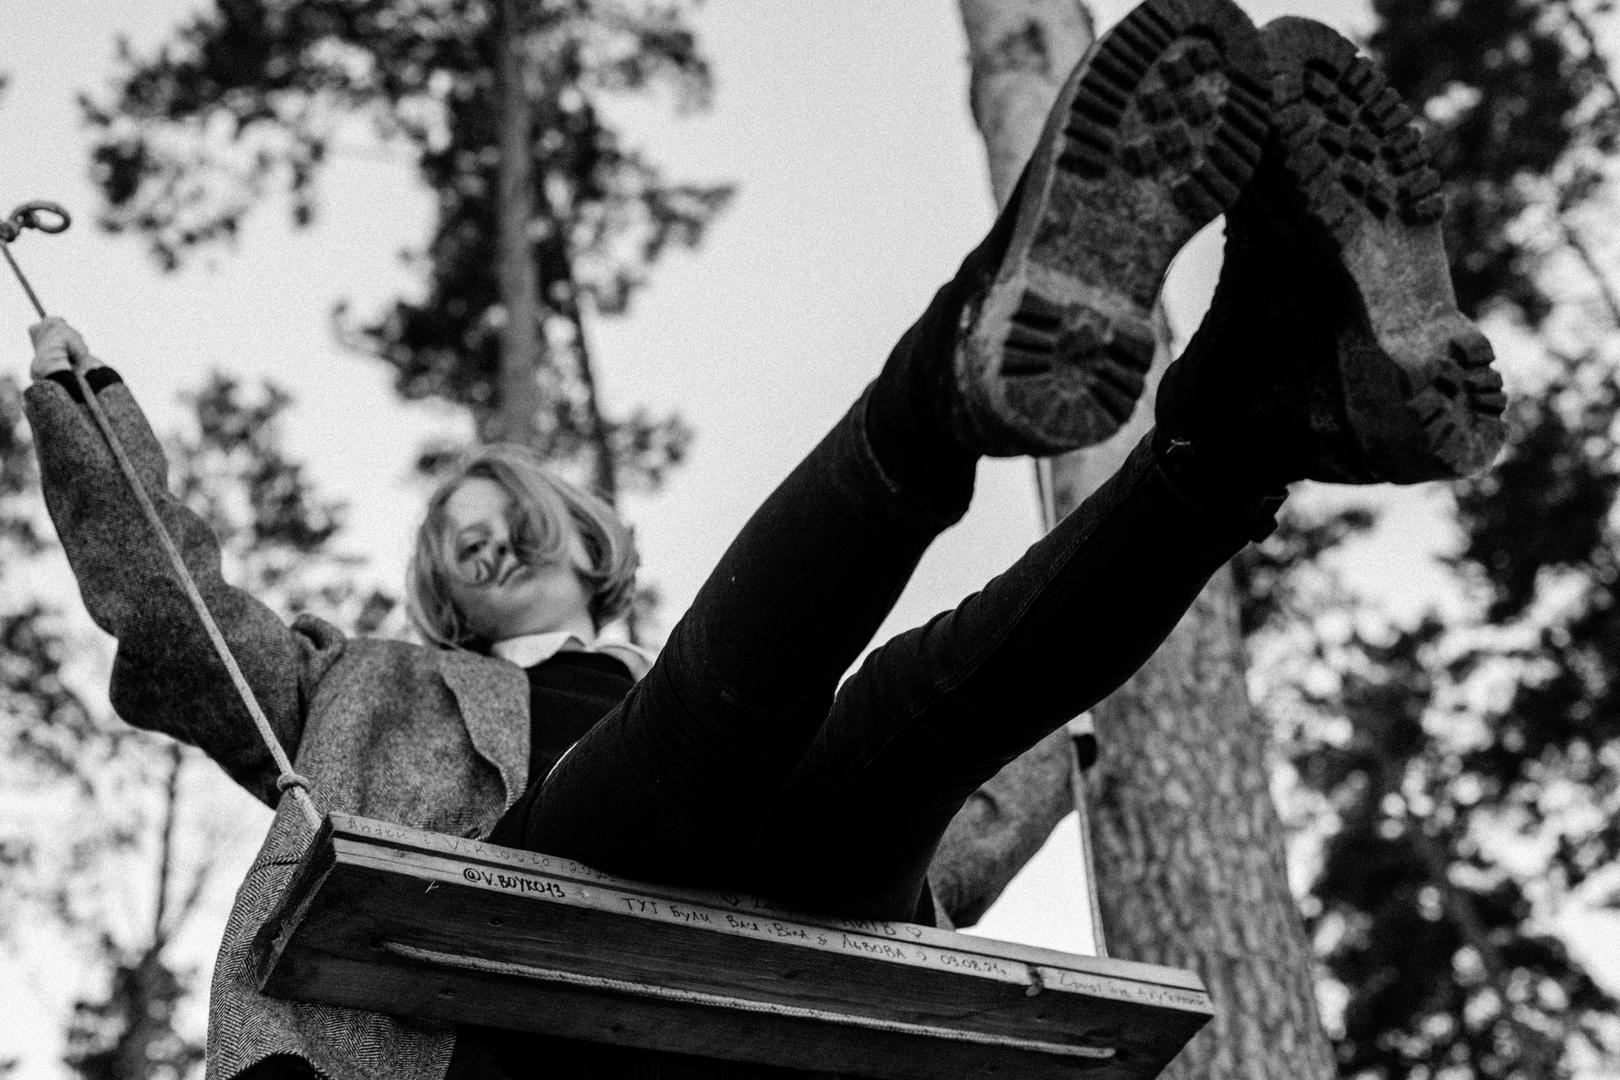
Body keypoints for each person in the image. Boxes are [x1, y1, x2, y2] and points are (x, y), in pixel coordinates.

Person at [25, 3, 1506, 1079]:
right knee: (719, 714)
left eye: (504, 520)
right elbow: (176, 611)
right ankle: (954, 377)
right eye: (453, 549)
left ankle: (1250, 428)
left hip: (774, 962)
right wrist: (85, 409)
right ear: (438, 603)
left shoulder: (665, 655)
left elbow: (964, 824)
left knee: (902, 709)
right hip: (483, 999)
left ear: (580, 537)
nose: (480, 549)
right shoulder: (363, 689)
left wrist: (1055, 759)